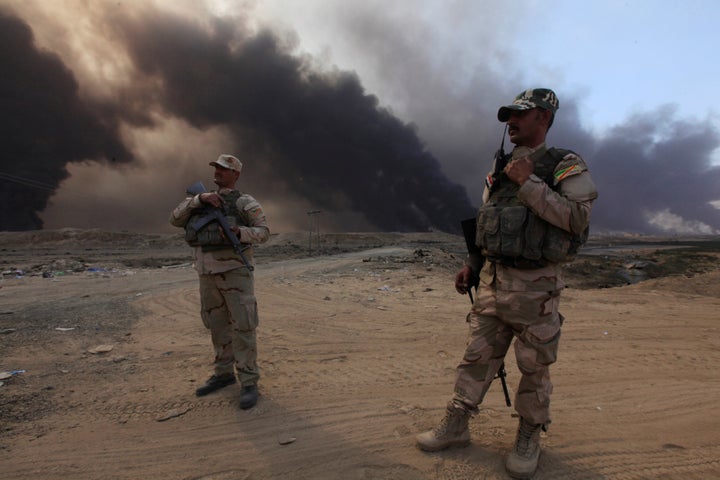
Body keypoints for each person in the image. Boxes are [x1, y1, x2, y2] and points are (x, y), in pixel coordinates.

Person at [416, 89, 598, 479]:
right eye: (508, 116)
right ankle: (457, 423)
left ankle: (529, 434)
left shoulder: (565, 164)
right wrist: (473, 264)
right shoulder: (499, 167)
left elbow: (578, 219)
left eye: (520, 114)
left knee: (534, 368)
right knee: (476, 357)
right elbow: (490, 222)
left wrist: (530, 182)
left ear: (544, 118)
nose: (510, 122)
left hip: (537, 291)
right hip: (492, 286)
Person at [170, 154, 270, 410]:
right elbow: (175, 219)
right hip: (207, 275)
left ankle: (248, 381)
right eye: (216, 168)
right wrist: (199, 199)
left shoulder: (244, 201)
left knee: (243, 328)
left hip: (235, 273)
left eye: (224, 169)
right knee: (217, 327)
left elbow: (264, 232)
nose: (218, 172)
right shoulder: (200, 201)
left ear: (236, 174)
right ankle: (223, 374)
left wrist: (239, 232)